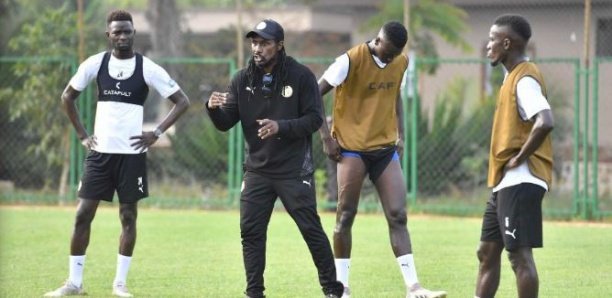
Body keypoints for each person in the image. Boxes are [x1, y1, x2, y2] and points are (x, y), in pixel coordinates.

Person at [44, 10, 190, 297]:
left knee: (128, 217)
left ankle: (119, 285)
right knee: (83, 215)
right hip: (99, 155)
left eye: (127, 31)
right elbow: (67, 97)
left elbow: (182, 101)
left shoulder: (147, 68)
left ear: (134, 33)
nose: (122, 36)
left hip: (132, 156)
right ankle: (74, 283)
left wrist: (157, 132)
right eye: (117, 32)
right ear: (108, 35)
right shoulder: (95, 64)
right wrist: (83, 135)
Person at [205, 19, 344, 298]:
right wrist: (212, 109)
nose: (258, 48)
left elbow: (315, 118)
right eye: (254, 43)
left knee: (310, 229)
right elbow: (225, 123)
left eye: (265, 43)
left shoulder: (301, 76)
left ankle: (332, 289)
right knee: (251, 232)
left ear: (279, 46)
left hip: (294, 170)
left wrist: (281, 126)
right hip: (258, 171)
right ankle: (254, 292)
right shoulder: (242, 79)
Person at [318, 21, 446, 298]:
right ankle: (340, 288)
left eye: (395, 54)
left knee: (398, 215)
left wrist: (401, 135)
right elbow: (313, 96)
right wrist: (326, 137)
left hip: (384, 149)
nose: (390, 58)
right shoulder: (349, 60)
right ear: (377, 41)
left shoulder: (401, 61)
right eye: (387, 53)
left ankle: (414, 287)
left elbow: (395, 97)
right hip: (351, 148)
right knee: (346, 215)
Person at [475, 14, 554, 298]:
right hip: (504, 181)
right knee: (486, 252)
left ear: (506, 43)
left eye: (492, 40)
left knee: (519, 257)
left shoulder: (524, 78)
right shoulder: (510, 77)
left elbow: (545, 120)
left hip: (521, 179)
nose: (488, 47)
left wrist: (520, 157)